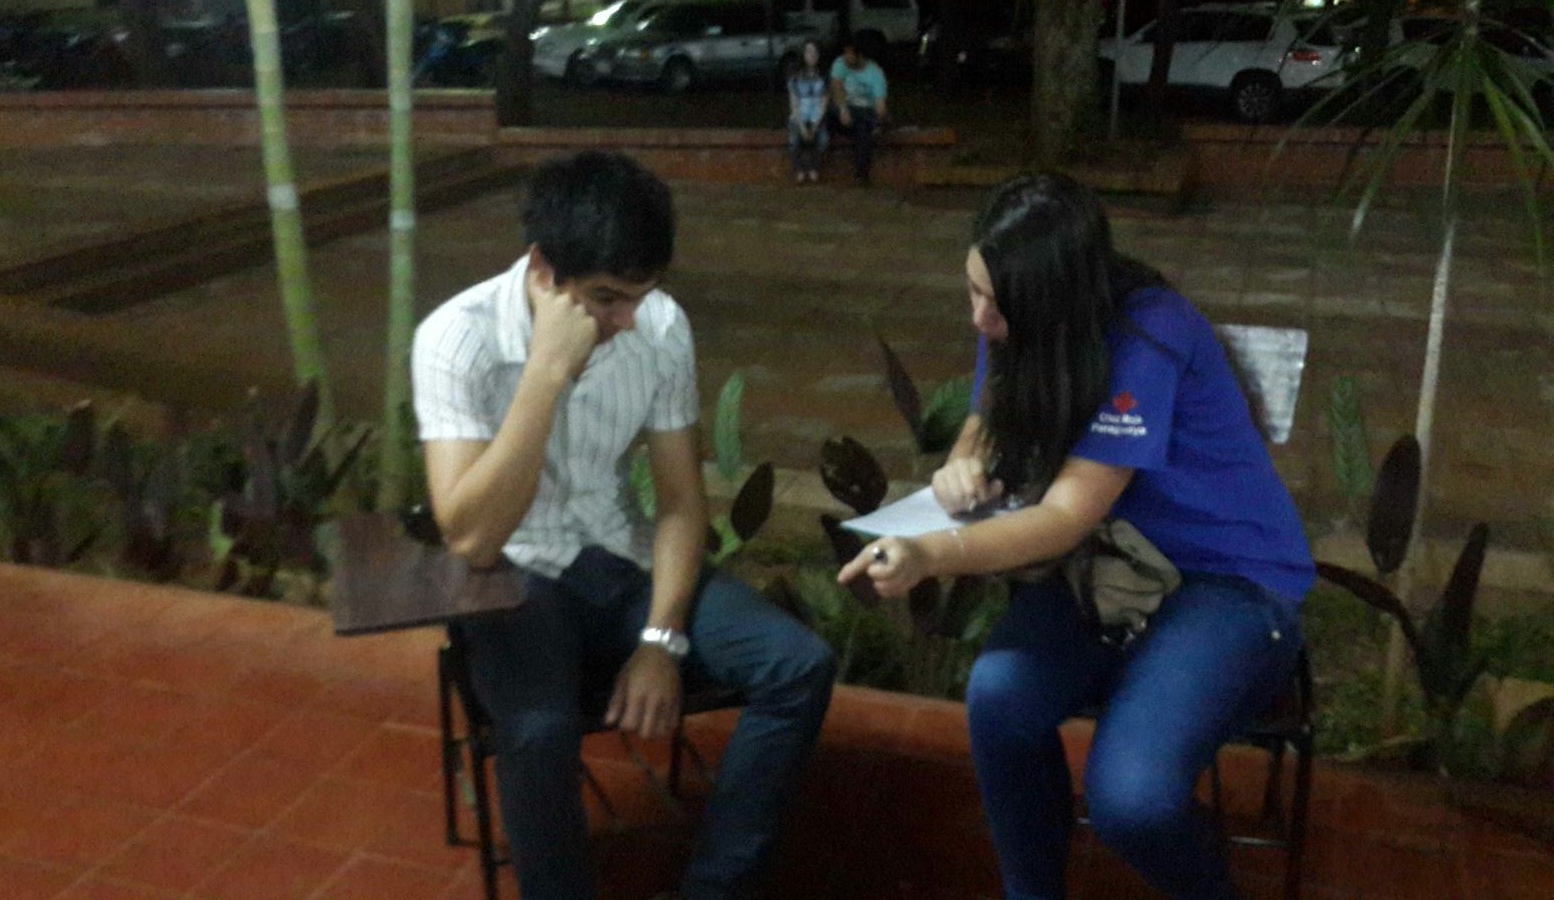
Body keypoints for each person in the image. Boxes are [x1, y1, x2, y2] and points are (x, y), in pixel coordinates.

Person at [837, 173, 1314, 900]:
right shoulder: (1019, 317)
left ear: (1055, 298)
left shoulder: (1149, 334)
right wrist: (965, 460)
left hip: (1224, 580)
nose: (979, 319)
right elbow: (990, 410)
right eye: (973, 291)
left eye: (995, 304)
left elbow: (1066, 515)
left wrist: (932, 553)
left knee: (1132, 800)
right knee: (999, 697)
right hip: (1106, 567)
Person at [412, 151, 835, 900]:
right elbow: (472, 539)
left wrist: (661, 639)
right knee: (537, 731)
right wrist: (545, 374)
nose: (627, 320)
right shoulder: (456, 339)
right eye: (607, 299)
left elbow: (679, 504)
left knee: (798, 665)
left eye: (640, 295)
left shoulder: (659, 326)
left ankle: (715, 887)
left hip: (624, 560)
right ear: (543, 271)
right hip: (514, 575)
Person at [828, 33, 888, 185]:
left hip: (863, 113)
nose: (846, 57)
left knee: (862, 129)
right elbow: (836, 87)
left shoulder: (875, 73)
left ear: (860, 56)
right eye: (845, 53)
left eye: (850, 54)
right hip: (844, 114)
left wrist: (879, 118)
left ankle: (861, 175)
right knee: (834, 112)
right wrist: (843, 109)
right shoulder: (840, 64)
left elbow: (880, 104)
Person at [786, 39, 829, 184]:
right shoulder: (795, 77)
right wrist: (802, 127)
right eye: (809, 52)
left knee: (823, 140)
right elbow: (794, 104)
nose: (812, 55)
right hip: (799, 117)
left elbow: (824, 104)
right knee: (793, 141)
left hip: (817, 117)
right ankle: (799, 169)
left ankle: (814, 168)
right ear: (803, 54)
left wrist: (815, 125)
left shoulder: (824, 76)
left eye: (815, 52)